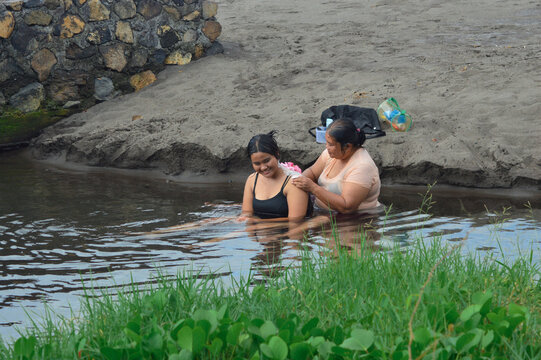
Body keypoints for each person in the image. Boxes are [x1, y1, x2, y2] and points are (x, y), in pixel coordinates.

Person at [292, 118, 382, 214]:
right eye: (326, 142)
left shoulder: (362, 166)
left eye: (330, 144)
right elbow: (312, 173)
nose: (326, 147)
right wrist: (298, 181)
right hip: (323, 212)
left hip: (355, 220)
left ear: (347, 146)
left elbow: (347, 207)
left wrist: (312, 188)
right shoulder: (332, 154)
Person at [240, 131, 311, 221]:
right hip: (260, 232)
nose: (263, 167)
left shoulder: (294, 182)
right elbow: (247, 214)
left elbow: (296, 222)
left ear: (277, 154)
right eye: (257, 163)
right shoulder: (252, 180)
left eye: (266, 161)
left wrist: (260, 222)